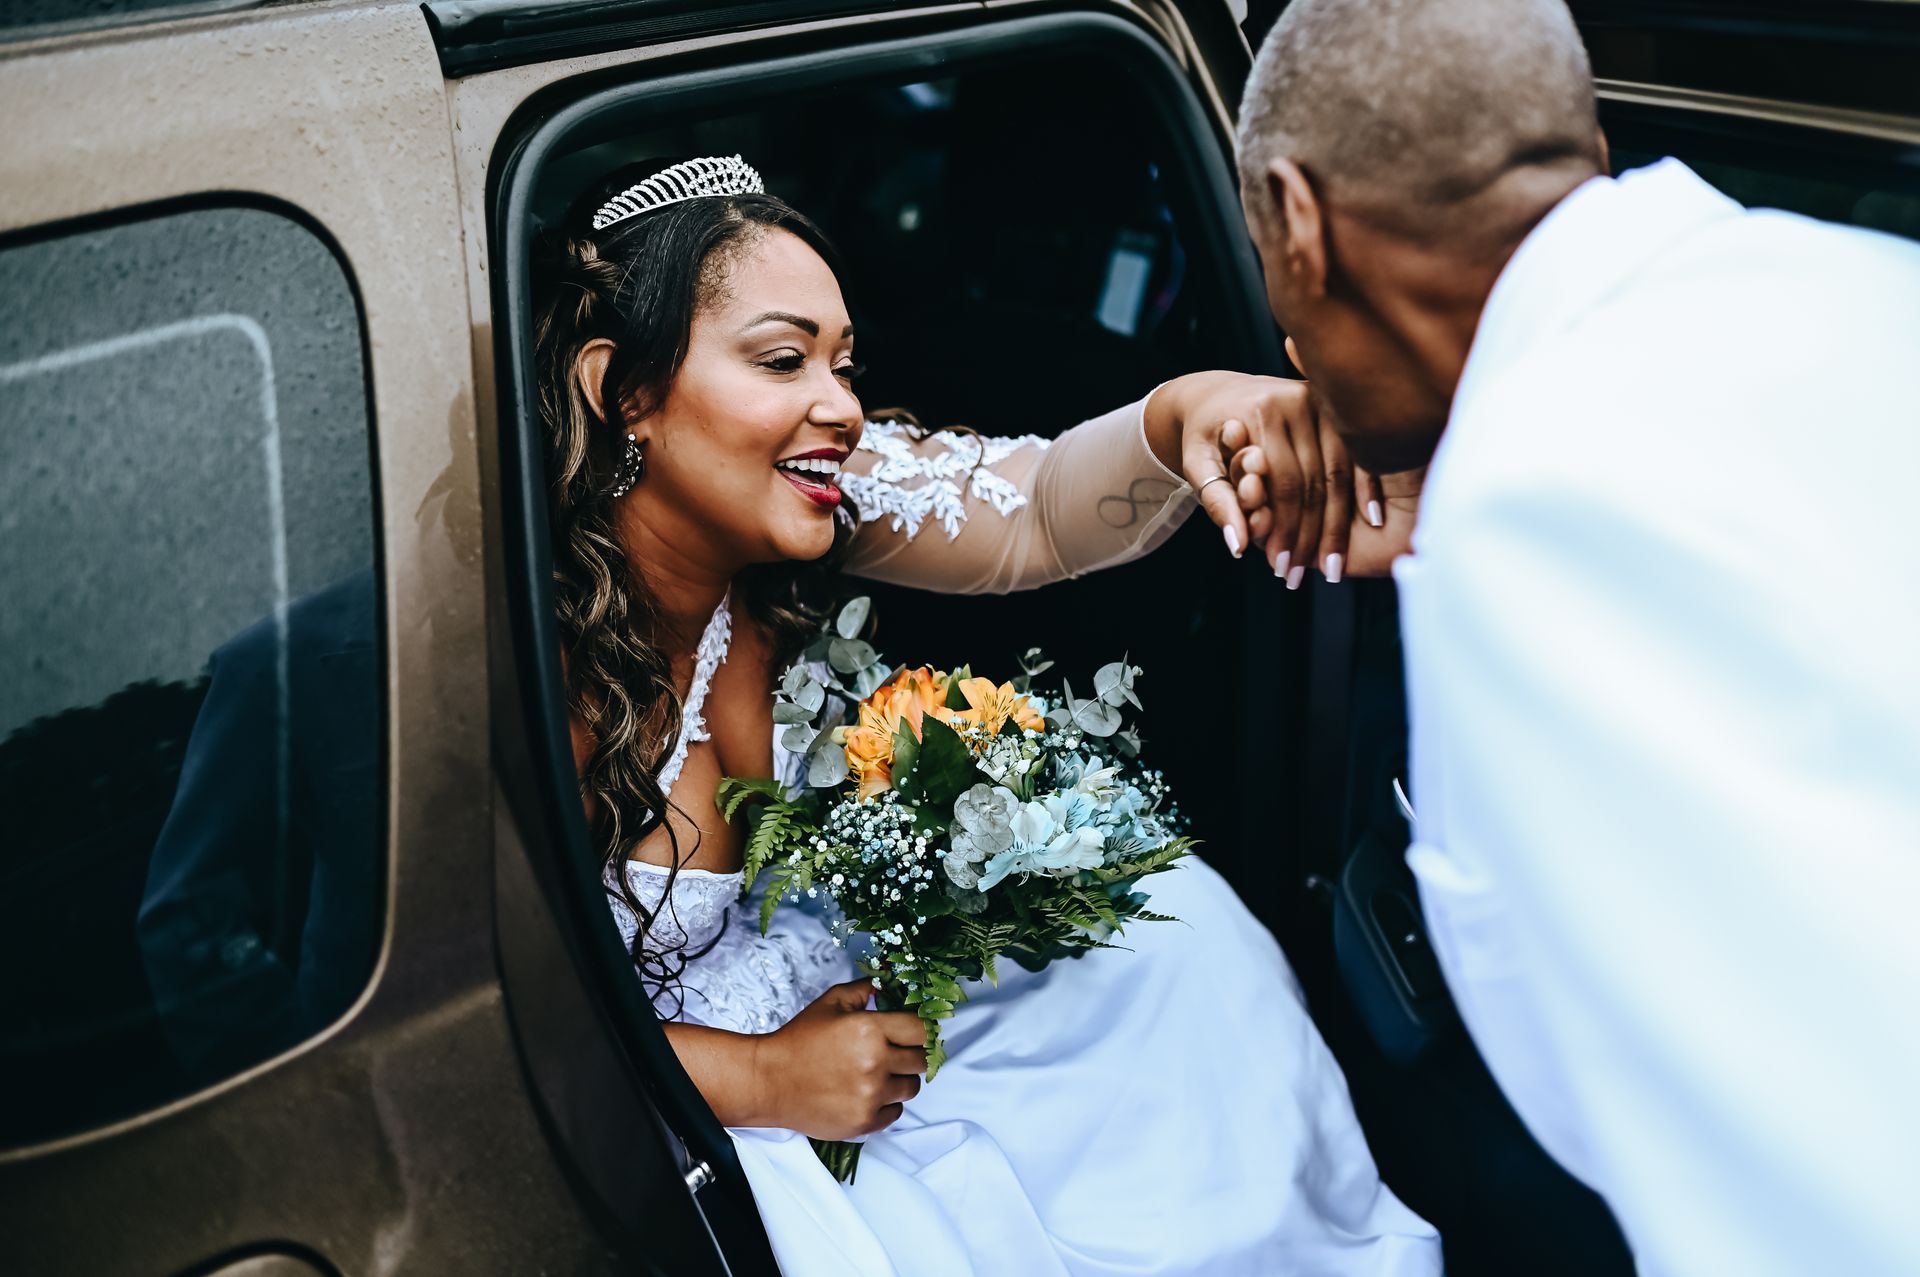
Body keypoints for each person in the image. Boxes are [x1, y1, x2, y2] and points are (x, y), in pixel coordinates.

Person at [538, 156, 1440, 1275]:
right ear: (619, 386)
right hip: (679, 1091)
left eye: (843, 362)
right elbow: (517, 1023)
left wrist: (1191, 413)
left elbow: (1041, 514)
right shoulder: (557, 667)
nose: (840, 405)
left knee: (1175, 935)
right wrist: (769, 1076)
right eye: (784, 360)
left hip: (820, 981)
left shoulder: (792, 503)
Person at [1230, 3, 1920, 1275]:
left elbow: (1784, 1138)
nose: (1284, 349)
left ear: (1300, 221)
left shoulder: (1537, 506)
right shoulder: (1858, 284)